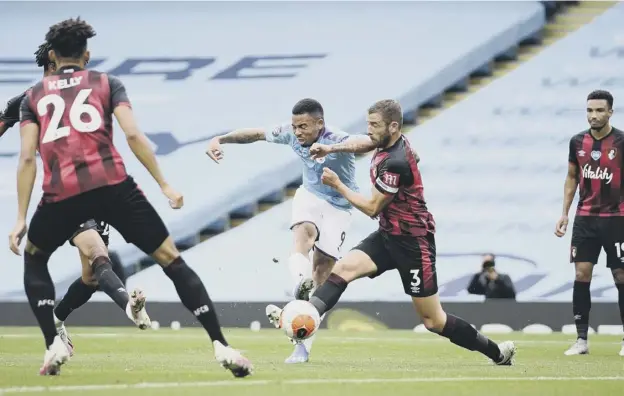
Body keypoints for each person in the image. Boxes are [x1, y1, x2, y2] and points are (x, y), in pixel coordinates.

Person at [9, 18, 252, 377]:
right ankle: (222, 346)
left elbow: (27, 158)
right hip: (115, 188)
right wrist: (164, 184)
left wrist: (20, 218)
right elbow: (134, 135)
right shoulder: (108, 83)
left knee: (34, 259)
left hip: (62, 194)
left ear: (52, 56)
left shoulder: (33, 96)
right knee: (172, 260)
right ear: (86, 54)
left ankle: (52, 342)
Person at [266, 99, 517, 365]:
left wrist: (338, 184)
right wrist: (331, 147)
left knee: (434, 321)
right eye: (368, 124)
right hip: (387, 236)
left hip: (414, 244)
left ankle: (497, 353)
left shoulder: (395, 162)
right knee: (342, 271)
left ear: (393, 126)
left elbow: (373, 208)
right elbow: (362, 143)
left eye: (374, 125)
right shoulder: (388, 140)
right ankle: (299, 314)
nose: (369, 130)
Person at [206, 98, 371, 364]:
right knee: (303, 235)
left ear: (320, 123)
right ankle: (299, 287)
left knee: (322, 274)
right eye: (295, 126)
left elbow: (367, 142)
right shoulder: (292, 134)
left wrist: (330, 148)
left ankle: (301, 344)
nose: (297, 132)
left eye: (303, 126)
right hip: (309, 196)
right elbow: (257, 134)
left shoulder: (336, 138)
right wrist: (221, 139)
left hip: (339, 207)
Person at [1, 42, 132, 358]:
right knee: (97, 252)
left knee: (90, 277)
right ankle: (129, 305)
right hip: (63, 196)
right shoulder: (27, 100)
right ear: (53, 60)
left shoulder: (86, 95)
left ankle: (58, 320)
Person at [555, 89, 624, 356]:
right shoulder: (577, 142)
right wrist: (564, 213)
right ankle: (581, 339)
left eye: (599, 110)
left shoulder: (620, 141)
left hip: (617, 219)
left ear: (610, 112)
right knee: (582, 274)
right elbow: (572, 177)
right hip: (585, 219)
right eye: (589, 110)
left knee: (620, 276)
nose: (593, 116)